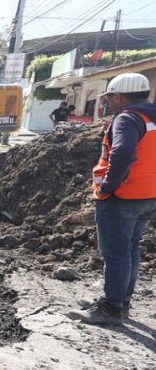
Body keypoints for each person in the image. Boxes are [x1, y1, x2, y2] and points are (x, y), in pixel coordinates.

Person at [70, 73, 156, 325]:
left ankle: (110, 308)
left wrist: (108, 186)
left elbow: (123, 151)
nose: (109, 103)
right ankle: (120, 301)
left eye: (110, 97)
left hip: (123, 196)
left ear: (119, 96)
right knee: (130, 248)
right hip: (148, 196)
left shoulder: (128, 118)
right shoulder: (152, 118)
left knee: (116, 253)